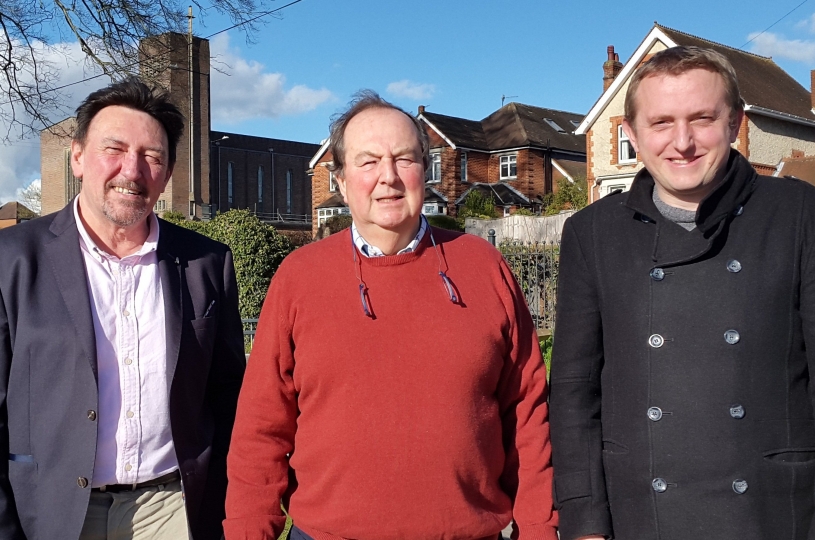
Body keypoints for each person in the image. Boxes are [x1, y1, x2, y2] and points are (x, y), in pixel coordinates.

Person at [224, 90, 557, 540]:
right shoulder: (300, 277)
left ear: (425, 169)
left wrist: (539, 529)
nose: (389, 178)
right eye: (368, 162)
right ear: (339, 180)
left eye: (405, 159)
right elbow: (260, 430)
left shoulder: (482, 266)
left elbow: (529, 417)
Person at [549, 45, 815, 540]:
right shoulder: (592, 233)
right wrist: (584, 521)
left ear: (734, 122)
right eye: (661, 123)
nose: (682, 142)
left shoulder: (803, 215)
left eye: (702, 118)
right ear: (632, 134)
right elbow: (574, 392)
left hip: (774, 514)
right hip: (640, 516)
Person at [0, 77, 246, 540]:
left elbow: (229, 397)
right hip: (53, 513)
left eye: (152, 157)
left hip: (173, 509)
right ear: (77, 157)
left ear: (168, 173)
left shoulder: (207, 263)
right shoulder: (11, 259)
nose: (132, 171)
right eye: (113, 149)